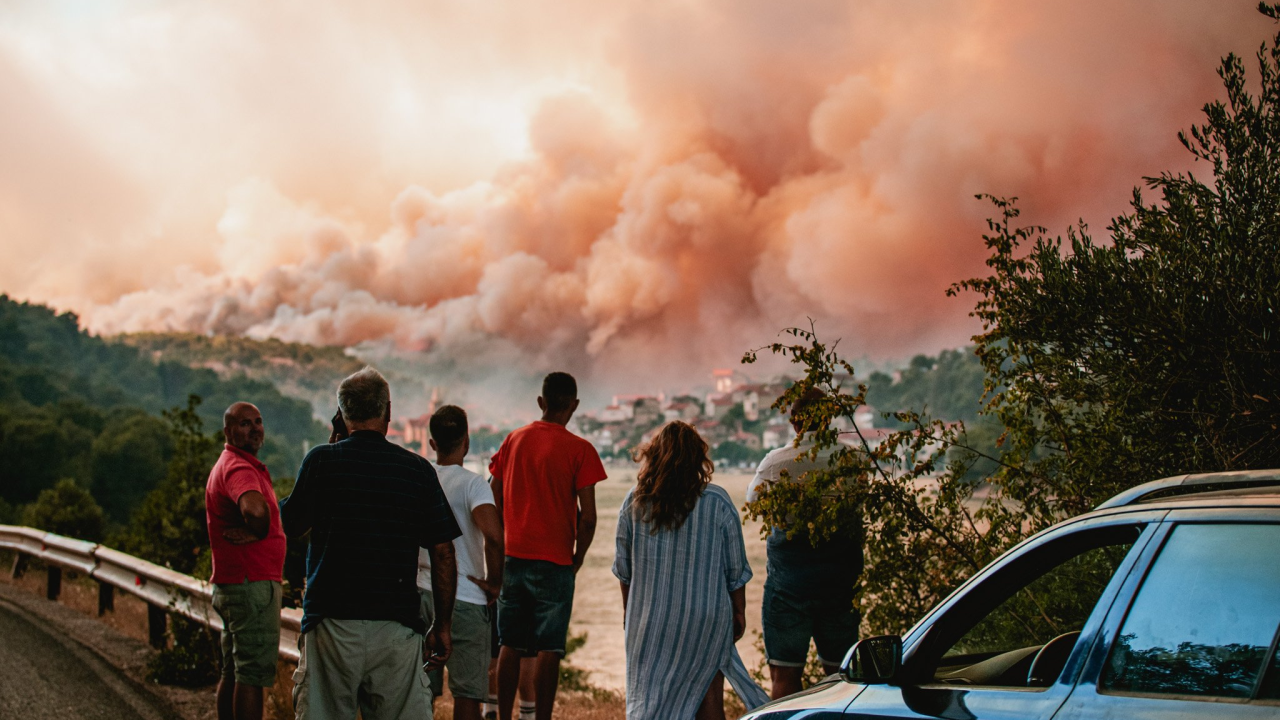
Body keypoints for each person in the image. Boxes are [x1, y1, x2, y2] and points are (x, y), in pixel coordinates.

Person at [280, 367, 462, 720]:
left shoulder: (321, 461)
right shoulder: (416, 470)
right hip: (396, 625)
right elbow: (442, 552)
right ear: (388, 412)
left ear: (342, 414)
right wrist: (441, 626)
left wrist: (334, 443)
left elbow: (292, 524)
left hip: (331, 623)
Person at [613, 421, 769, 720]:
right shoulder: (718, 502)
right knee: (709, 697)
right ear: (698, 458)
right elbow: (736, 571)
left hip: (651, 621)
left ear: (654, 456)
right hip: (705, 619)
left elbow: (625, 571)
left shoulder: (634, 503)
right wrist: (738, 613)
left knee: (650, 698)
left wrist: (630, 613)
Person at [489, 372, 607, 720]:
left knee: (509, 643)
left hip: (515, 557)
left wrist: (507, 531)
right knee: (549, 648)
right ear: (574, 405)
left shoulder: (514, 440)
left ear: (541, 402)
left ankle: (503, 715)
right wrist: (577, 559)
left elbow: (492, 492)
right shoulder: (581, 450)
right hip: (556, 562)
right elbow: (588, 518)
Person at [746, 388, 863, 699]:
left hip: (788, 587)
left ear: (794, 423)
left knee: (784, 679)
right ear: (829, 421)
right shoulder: (853, 460)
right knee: (842, 680)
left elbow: (753, 503)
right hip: (840, 586)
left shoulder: (775, 463)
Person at [416, 405, 504, 720]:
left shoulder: (420, 478)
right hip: (465, 598)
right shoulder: (473, 484)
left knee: (419, 691)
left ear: (432, 443)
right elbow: (494, 536)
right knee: (467, 695)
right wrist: (494, 582)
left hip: (422, 593)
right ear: (466, 441)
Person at [206, 402, 288, 720]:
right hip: (250, 585)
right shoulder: (239, 468)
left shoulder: (230, 463)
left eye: (258, 421)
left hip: (234, 585)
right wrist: (260, 531)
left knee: (234, 671)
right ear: (227, 431)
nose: (254, 428)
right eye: (244, 424)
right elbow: (255, 510)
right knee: (252, 677)